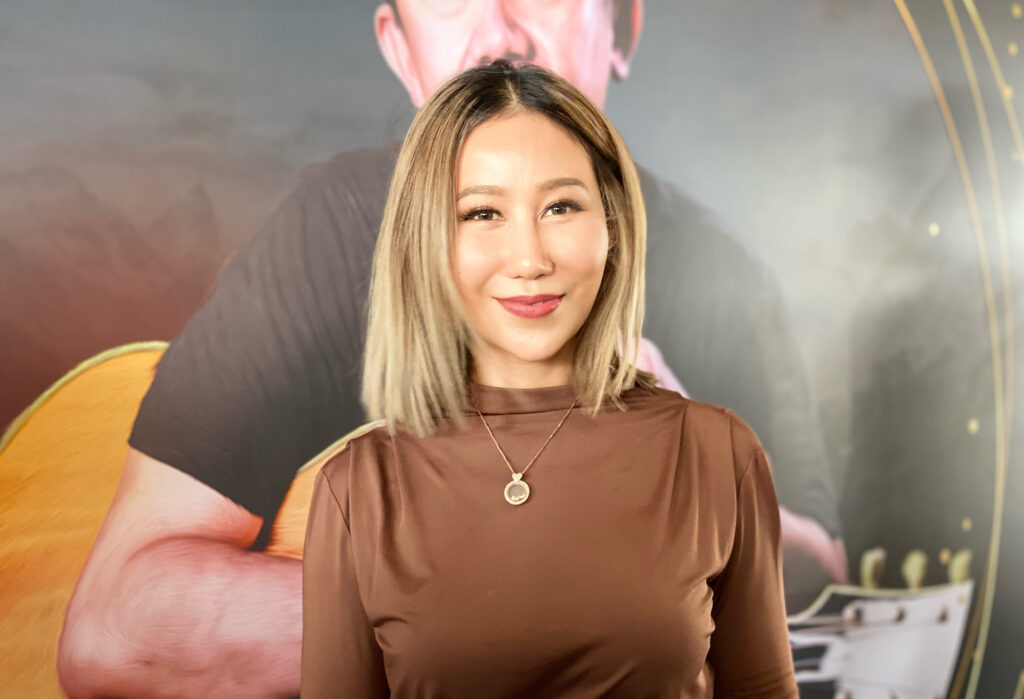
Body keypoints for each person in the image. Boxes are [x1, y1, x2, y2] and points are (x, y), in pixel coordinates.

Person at [58, 2, 836, 697]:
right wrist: (473, 621)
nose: (498, 31)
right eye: (479, 215)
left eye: (563, 208)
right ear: (399, 48)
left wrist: (691, 481)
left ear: (622, 26)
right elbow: (110, 628)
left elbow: (812, 586)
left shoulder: (725, 309)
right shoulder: (335, 263)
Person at [301, 59, 797, 697]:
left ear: (611, 227)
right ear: (425, 240)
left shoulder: (715, 453)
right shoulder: (359, 488)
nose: (530, 260)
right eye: (482, 213)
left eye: (560, 206)